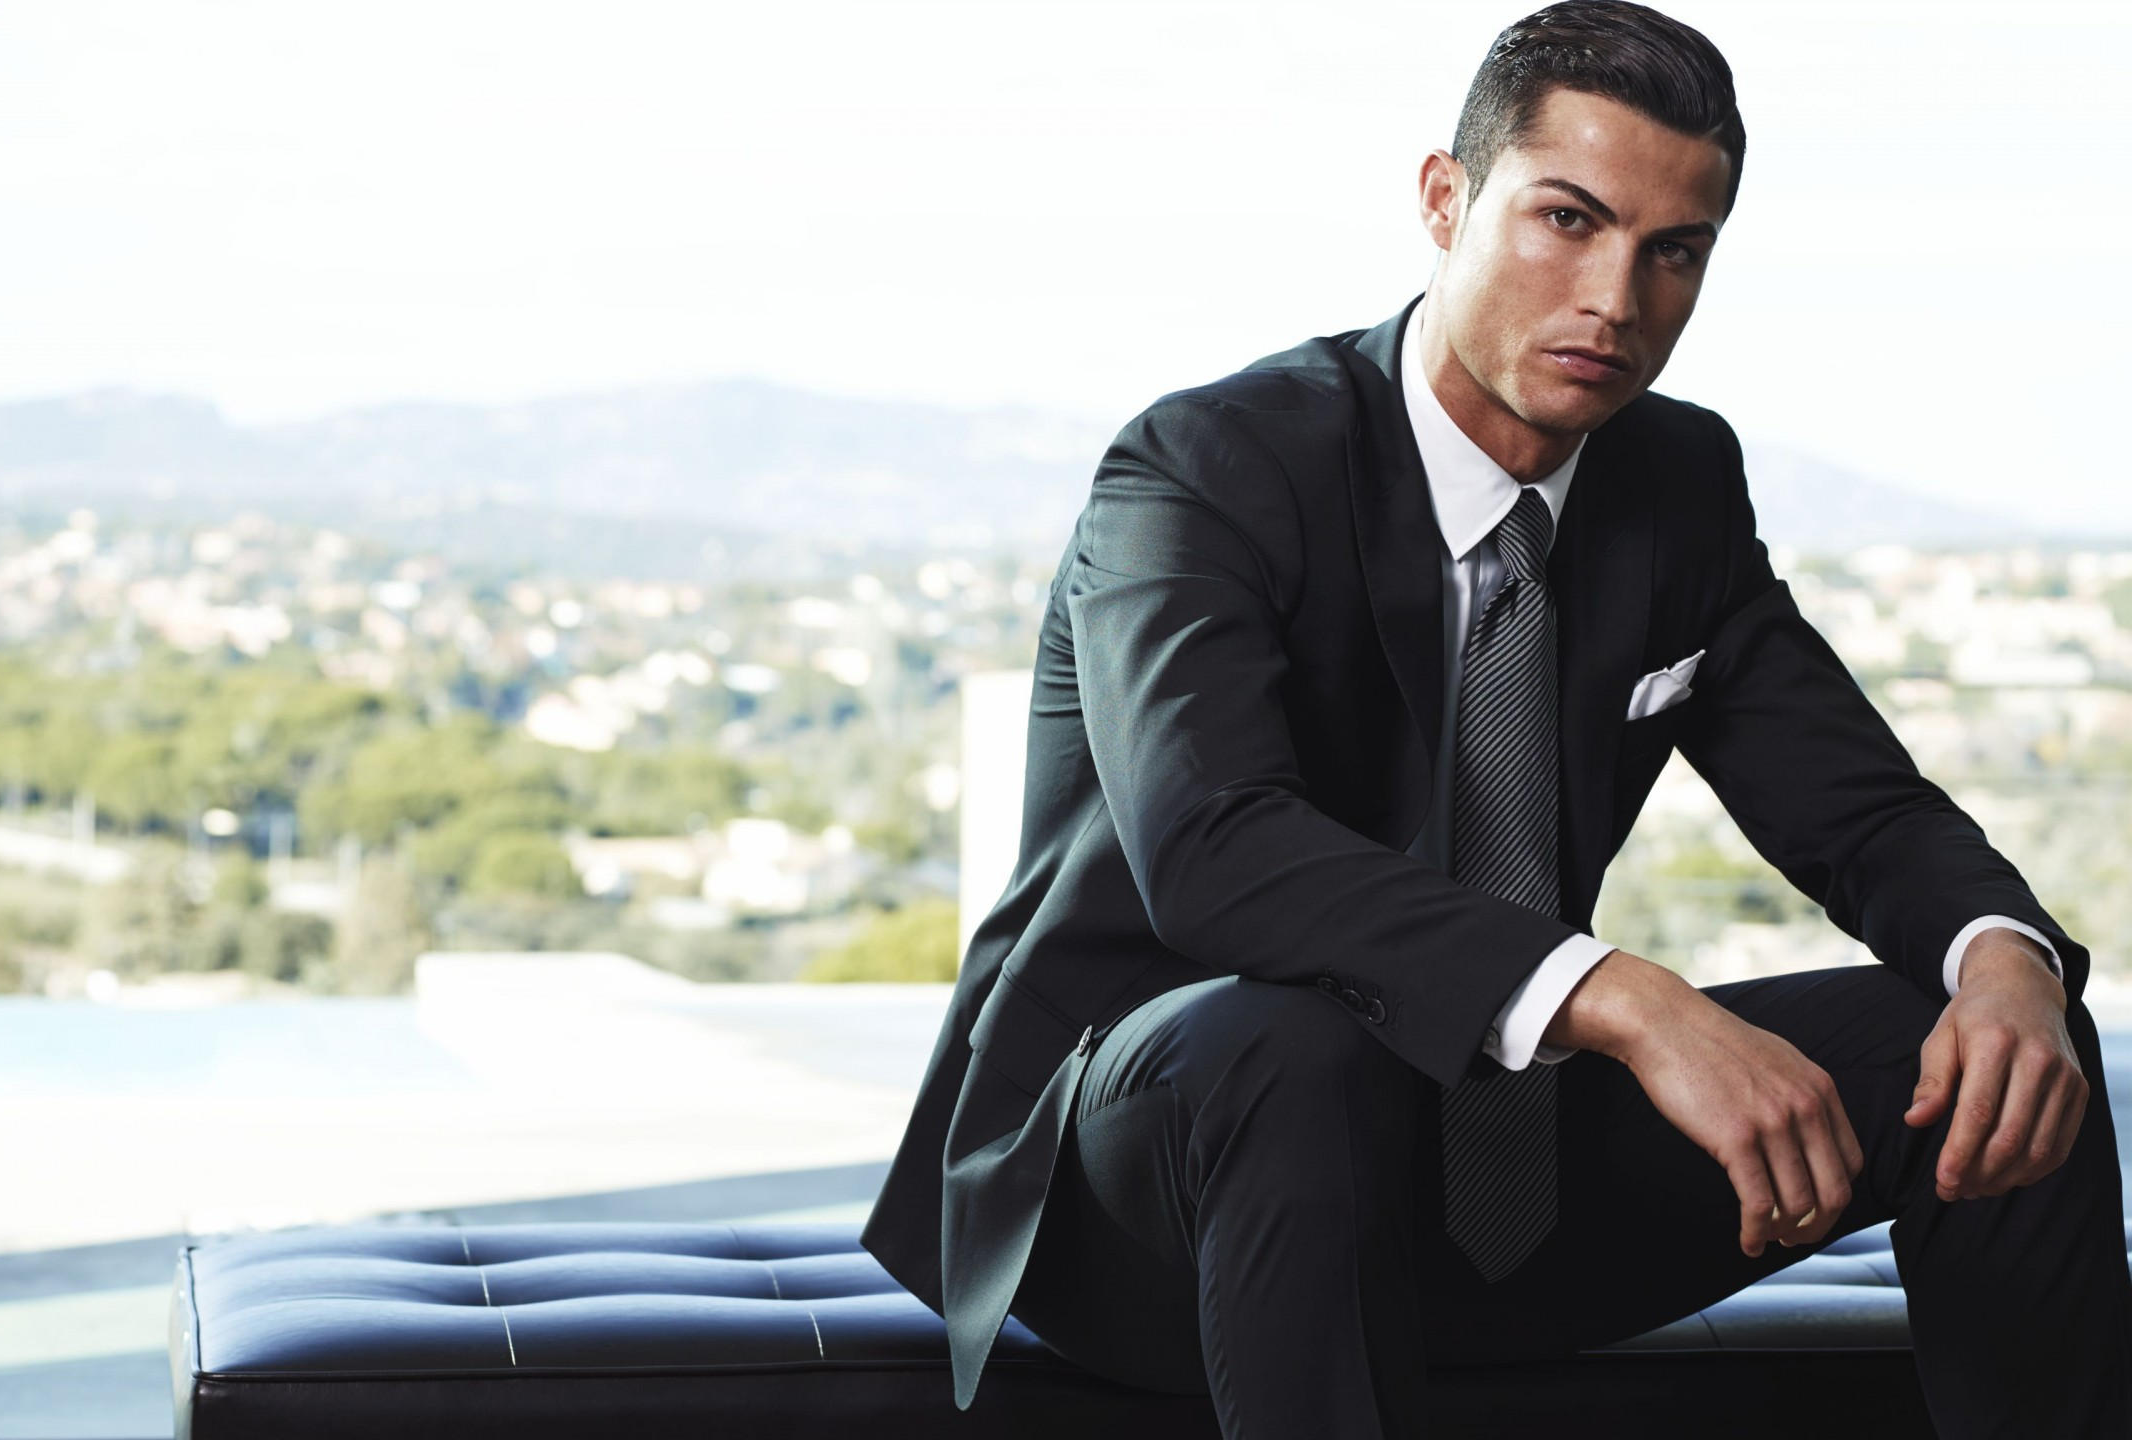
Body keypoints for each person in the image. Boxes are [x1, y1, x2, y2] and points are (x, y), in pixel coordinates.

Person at [854, 3, 2132, 1435]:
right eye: (1566, 220)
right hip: (1146, 1191)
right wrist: (1632, 1001)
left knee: (1997, 1050)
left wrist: (2006, 963)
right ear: (1445, 201)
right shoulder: (1209, 463)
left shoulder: (1677, 483)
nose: (1615, 298)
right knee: (1292, 1047)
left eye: (1674, 251)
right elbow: (1214, 848)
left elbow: (1860, 809)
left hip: (1483, 1176)